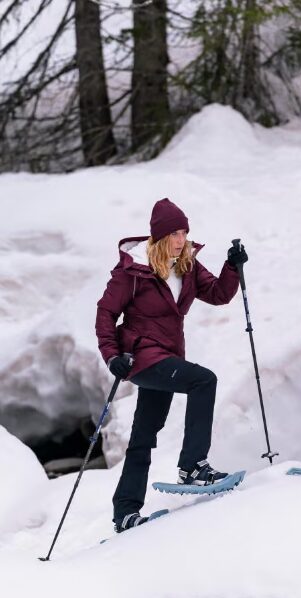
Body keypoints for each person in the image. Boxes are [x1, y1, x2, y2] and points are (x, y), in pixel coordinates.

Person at [95, 198, 248, 532]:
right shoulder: (133, 271)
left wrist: (232, 267)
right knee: (203, 381)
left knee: (143, 435)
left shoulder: (188, 264)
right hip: (142, 358)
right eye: (175, 233)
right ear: (159, 237)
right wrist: (111, 355)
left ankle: (125, 512)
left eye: (184, 232)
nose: (182, 239)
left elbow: (219, 294)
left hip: (168, 357)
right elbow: (106, 312)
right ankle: (193, 465)